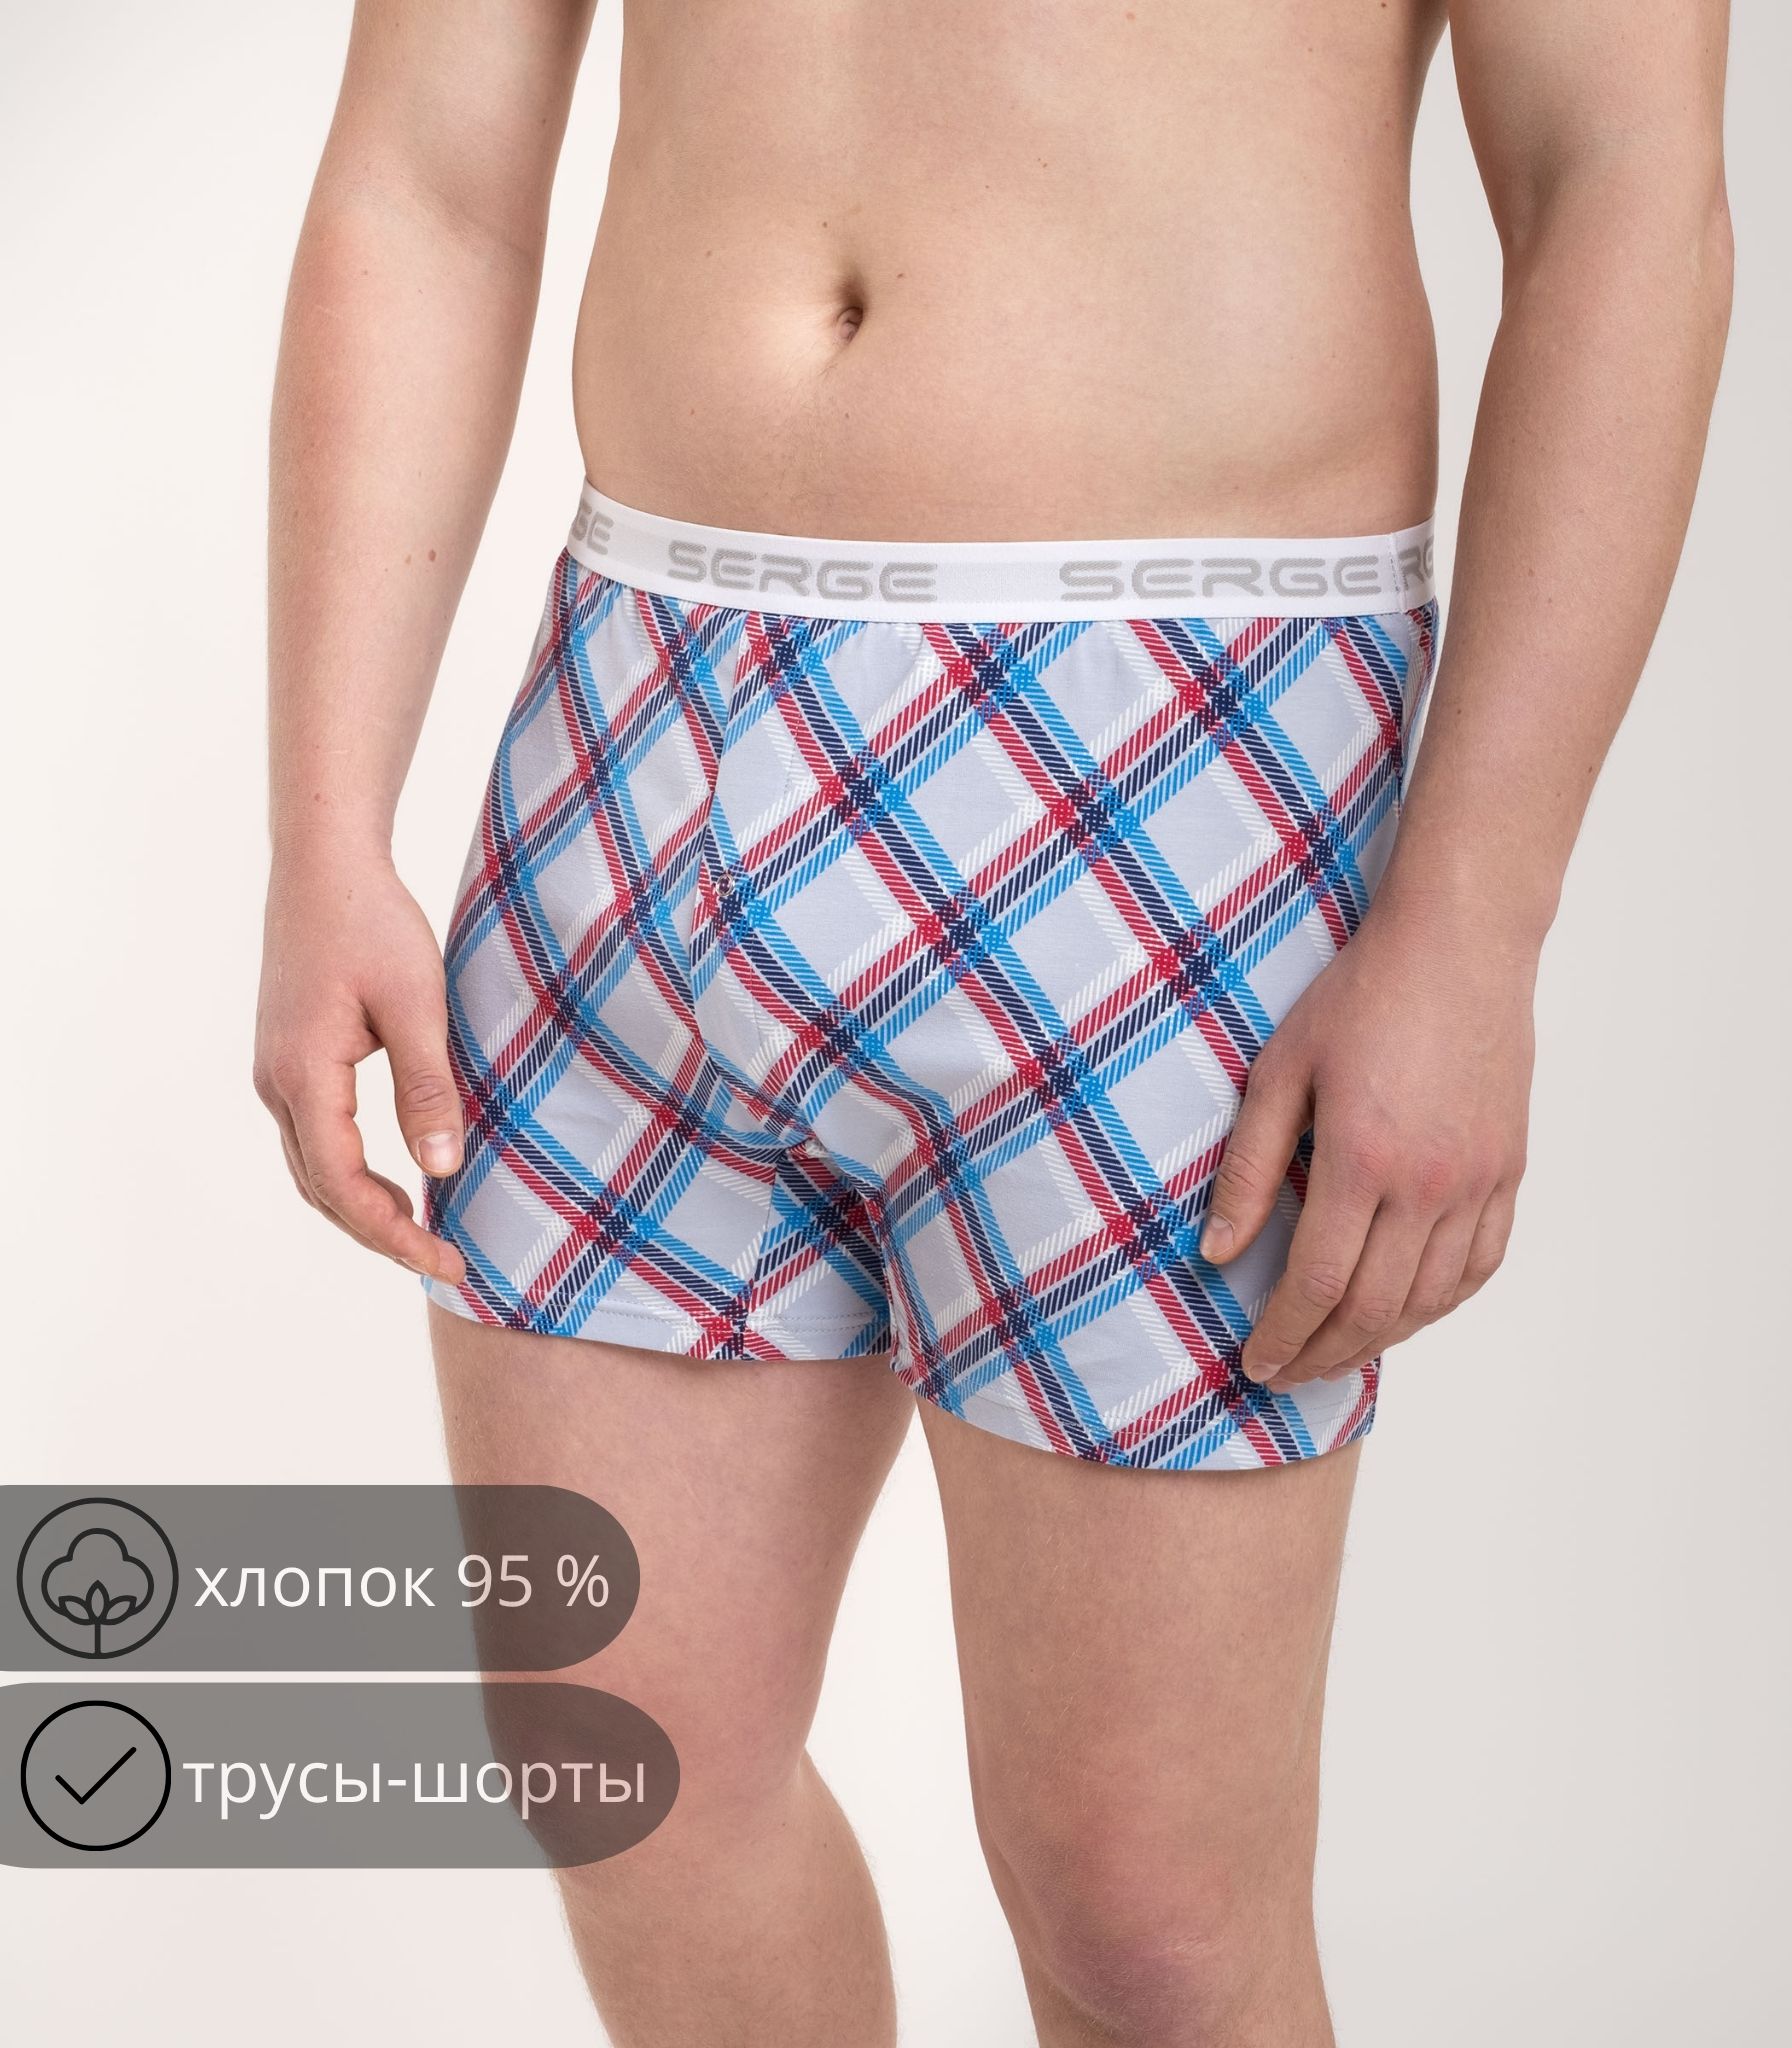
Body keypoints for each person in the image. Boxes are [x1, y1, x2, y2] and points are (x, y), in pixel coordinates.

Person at [253, 2, 1733, 2040]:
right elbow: (429, 164)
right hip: (633, 709)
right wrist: (325, 826)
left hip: (1180, 748)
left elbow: (1617, 186)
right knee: (627, 1771)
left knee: (1146, 1917)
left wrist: (1476, 917)